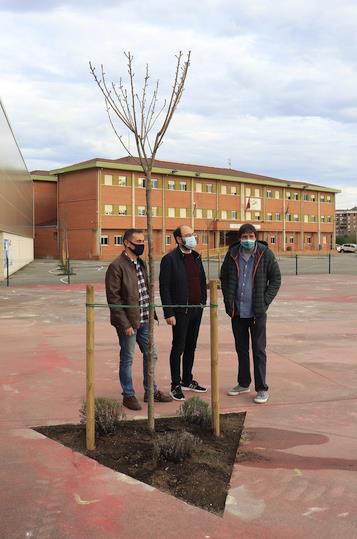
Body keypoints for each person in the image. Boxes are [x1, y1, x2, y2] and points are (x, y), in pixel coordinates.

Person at [105, 228, 172, 410]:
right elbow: (114, 299)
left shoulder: (141, 263)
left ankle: (151, 391)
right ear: (127, 243)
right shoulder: (116, 266)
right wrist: (125, 324)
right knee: (127, 357)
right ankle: (128, 394)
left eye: (143, 241)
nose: (142, 244)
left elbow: (145, 291)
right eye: (138, 241)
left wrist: (152, 316)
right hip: (129, 322)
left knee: (152, 354)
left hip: (144, 319)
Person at [220, 223, 281, 404]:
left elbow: (276, 279)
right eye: (244, 237)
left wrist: (265, 301)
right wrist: (228, 301)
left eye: (251, 236)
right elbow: (224, 277)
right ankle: (243, 383)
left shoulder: (265, 254)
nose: (248, 240)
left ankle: (261, 388)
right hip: (237, 312)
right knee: (241, 349)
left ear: (256, 237)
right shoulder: (232, 254)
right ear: (240, 238)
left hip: (257, 312)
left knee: (259, 350)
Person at [159, 225, 207, 401]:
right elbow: (165, 288)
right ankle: (175, 384)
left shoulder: (196, 257)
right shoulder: (169, 259)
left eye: (193, 234)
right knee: (178, 347)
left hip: (196, 310)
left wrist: (203, 302)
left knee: (191, 346)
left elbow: (202, 281)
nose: (192, 238)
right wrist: (168, 312)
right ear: (179, 239)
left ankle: (187, 379)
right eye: (187, 235)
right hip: (180, 311)